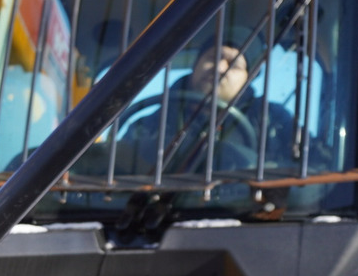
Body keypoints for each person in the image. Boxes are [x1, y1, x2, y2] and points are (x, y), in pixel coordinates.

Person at [120, 39, 294, 175]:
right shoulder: (148, 126)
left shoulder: (275, 123)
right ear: (196, 64)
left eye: (234, 64)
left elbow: (310, 174)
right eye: (213, 58)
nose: (219, 68)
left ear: (248, 78)